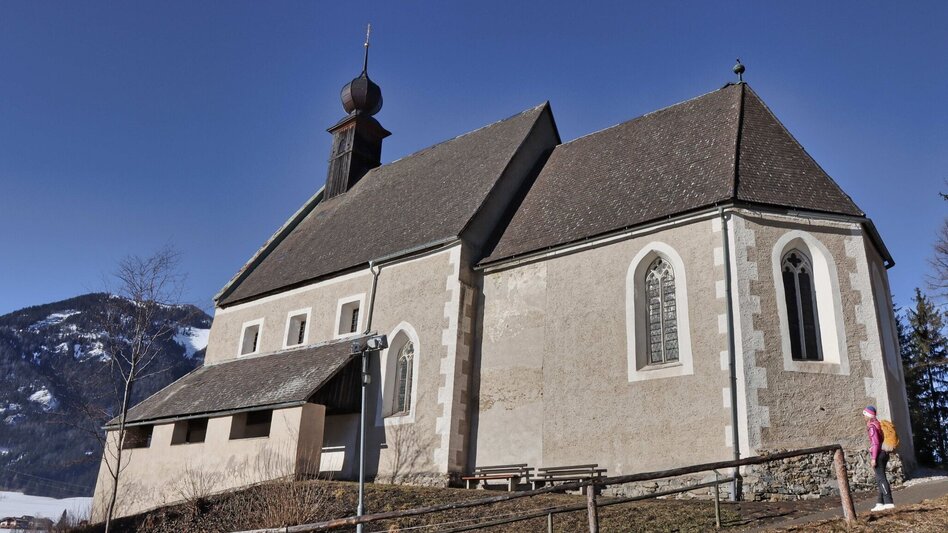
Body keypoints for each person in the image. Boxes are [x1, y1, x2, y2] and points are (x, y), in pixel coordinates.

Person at [864, 405, 894, 511]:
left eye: (864, 414)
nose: (864, 417)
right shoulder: (878, 424)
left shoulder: (872, 426)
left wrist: (873, 458)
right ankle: (880, 503)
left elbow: (875, 443)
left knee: (881, 478)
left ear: (868, 415)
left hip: (878, 454)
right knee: (880, 478)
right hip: (884, 453)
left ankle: (889, 502)